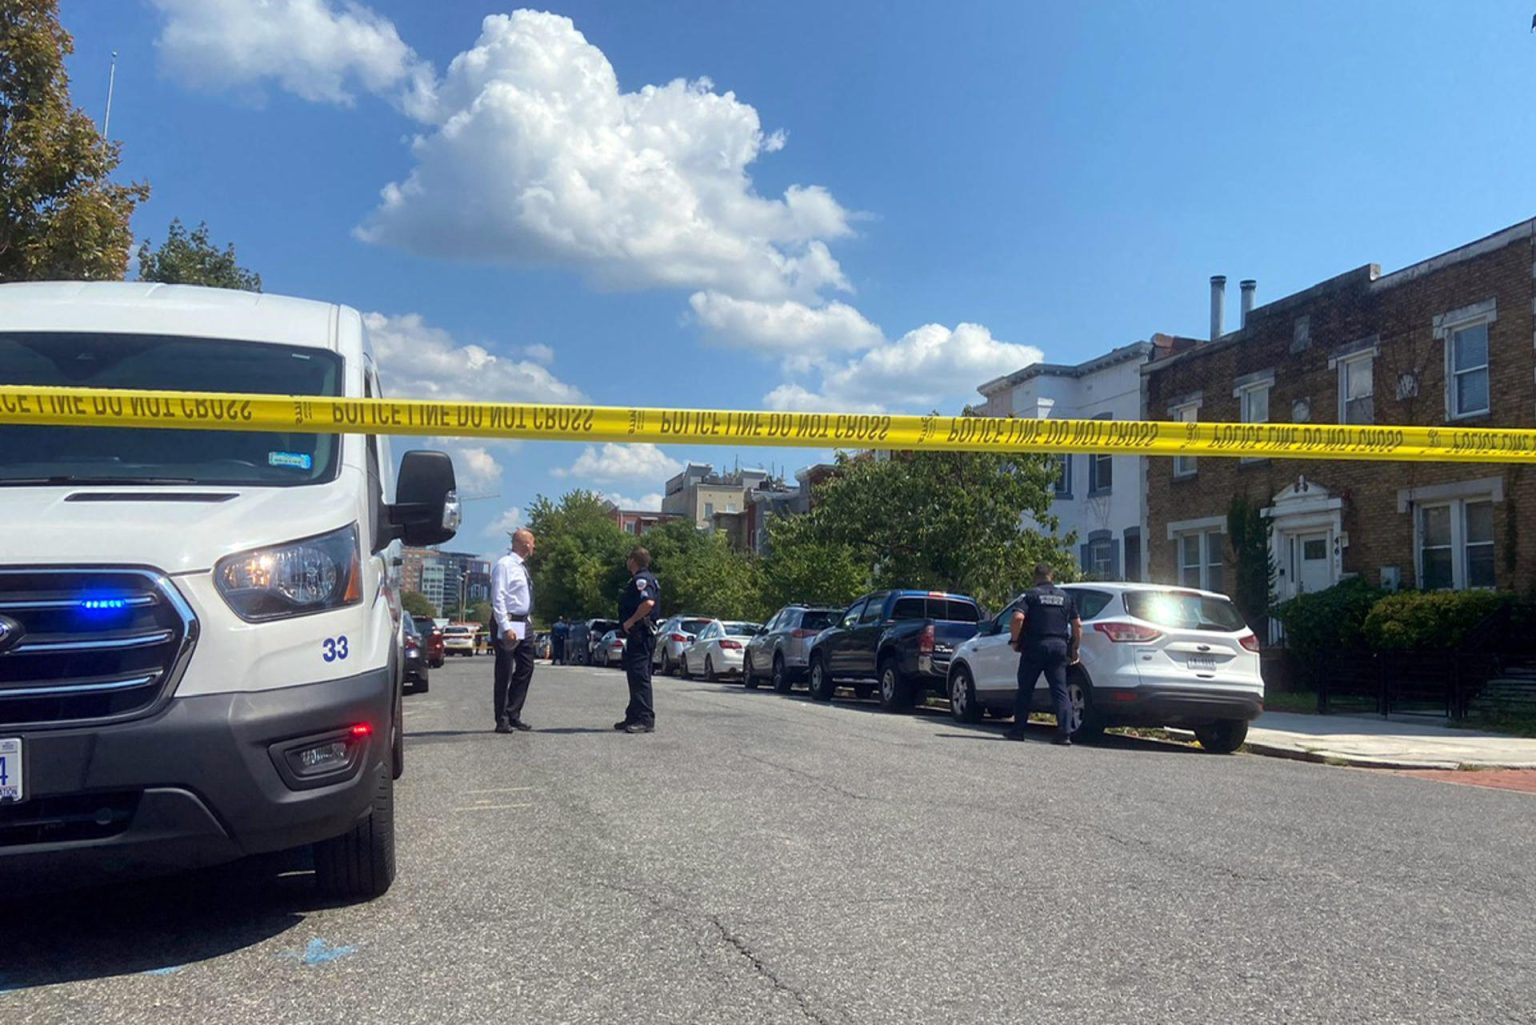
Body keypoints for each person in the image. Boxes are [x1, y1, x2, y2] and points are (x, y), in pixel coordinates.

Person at [1007, 562, 1082, 745]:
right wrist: (1074, 647)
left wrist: (1015, 640)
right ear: (1052, 577)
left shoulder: (1030, 595)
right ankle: (1064, 734)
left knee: (1025, 689)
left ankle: (1018, 731)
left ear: (1035, 578)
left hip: (1034, 647)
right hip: (1058, 647)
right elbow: (1078, 625)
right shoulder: (1066, 597)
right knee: (1060, 691)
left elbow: (1017, 618)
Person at [490, 528, 538, 734]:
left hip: (523, 623)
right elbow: (498, 597)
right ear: (525, 544)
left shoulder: (522, 567)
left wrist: (528, 620)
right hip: (508, 622)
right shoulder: (505, 565)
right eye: (533, 542)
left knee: (526, 667)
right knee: (504, 671)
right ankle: (501, 719)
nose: (534, 546)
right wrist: (505, 626)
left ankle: (513, 713)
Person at [614, 546, 661, 734]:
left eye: (628, 558)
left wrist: (631, 621)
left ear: (633, 560)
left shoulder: (641, 579)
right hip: (639, 634)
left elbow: (648, 603)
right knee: (634, 675)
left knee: (640, 676)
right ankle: (633, 715)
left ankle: (645, 718)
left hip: (641, 632)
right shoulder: (644, 578)